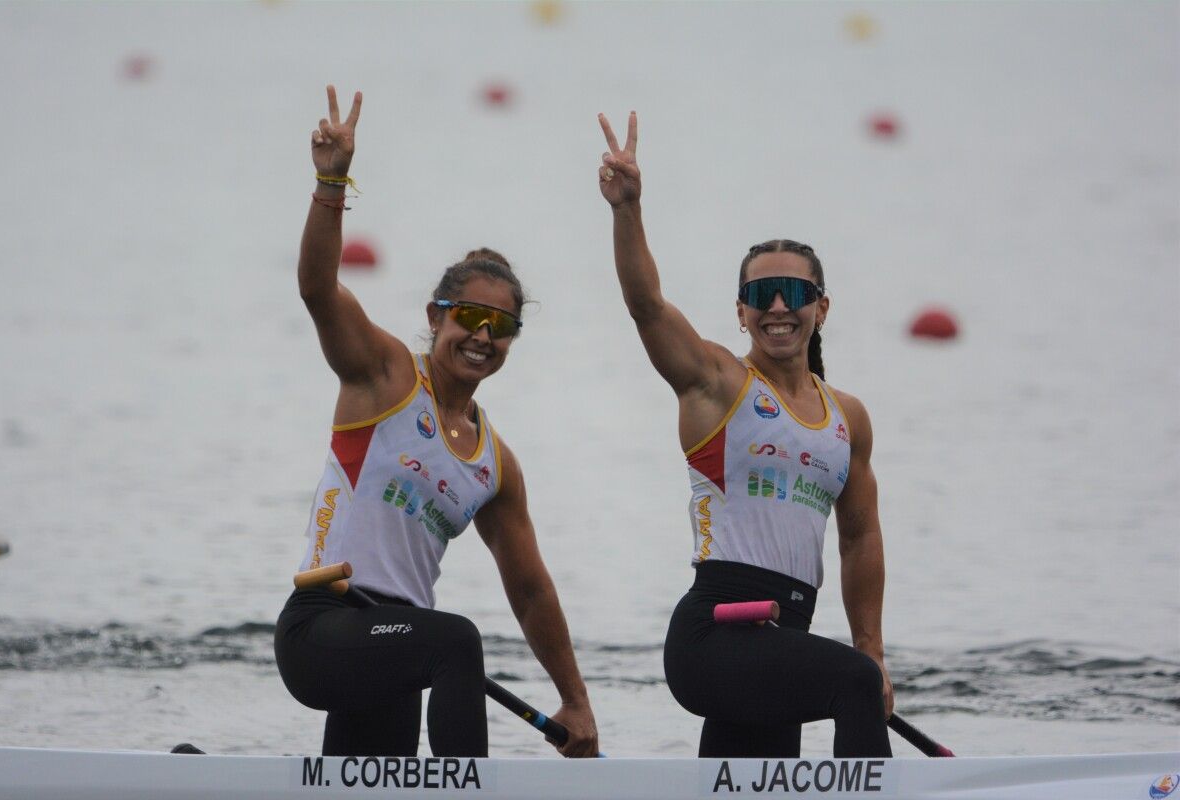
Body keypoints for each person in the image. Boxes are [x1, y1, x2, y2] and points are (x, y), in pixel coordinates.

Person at [274, 85, 599, 759]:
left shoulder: (495, 464)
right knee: (456, 641)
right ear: (435, 318)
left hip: (391, 652)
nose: (482, 337)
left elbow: (532, 591)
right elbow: (315, 288)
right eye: (469, 319)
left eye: (502, 326)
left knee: (376, 765)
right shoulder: (385, 376)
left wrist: (575, 698)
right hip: (323, 628)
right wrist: (331, 182)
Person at [595, 112, 893, 758]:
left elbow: (861, 536)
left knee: (768, 764)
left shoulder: (849, 419)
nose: (778, 307)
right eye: (761, 294)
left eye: (793, 292)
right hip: (716, 635)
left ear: (821, 306)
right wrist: (628, 209)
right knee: (851, 685)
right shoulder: (718, 384)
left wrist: (871, 647)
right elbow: (647, 307)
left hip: (782, 638)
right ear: (741, 312)